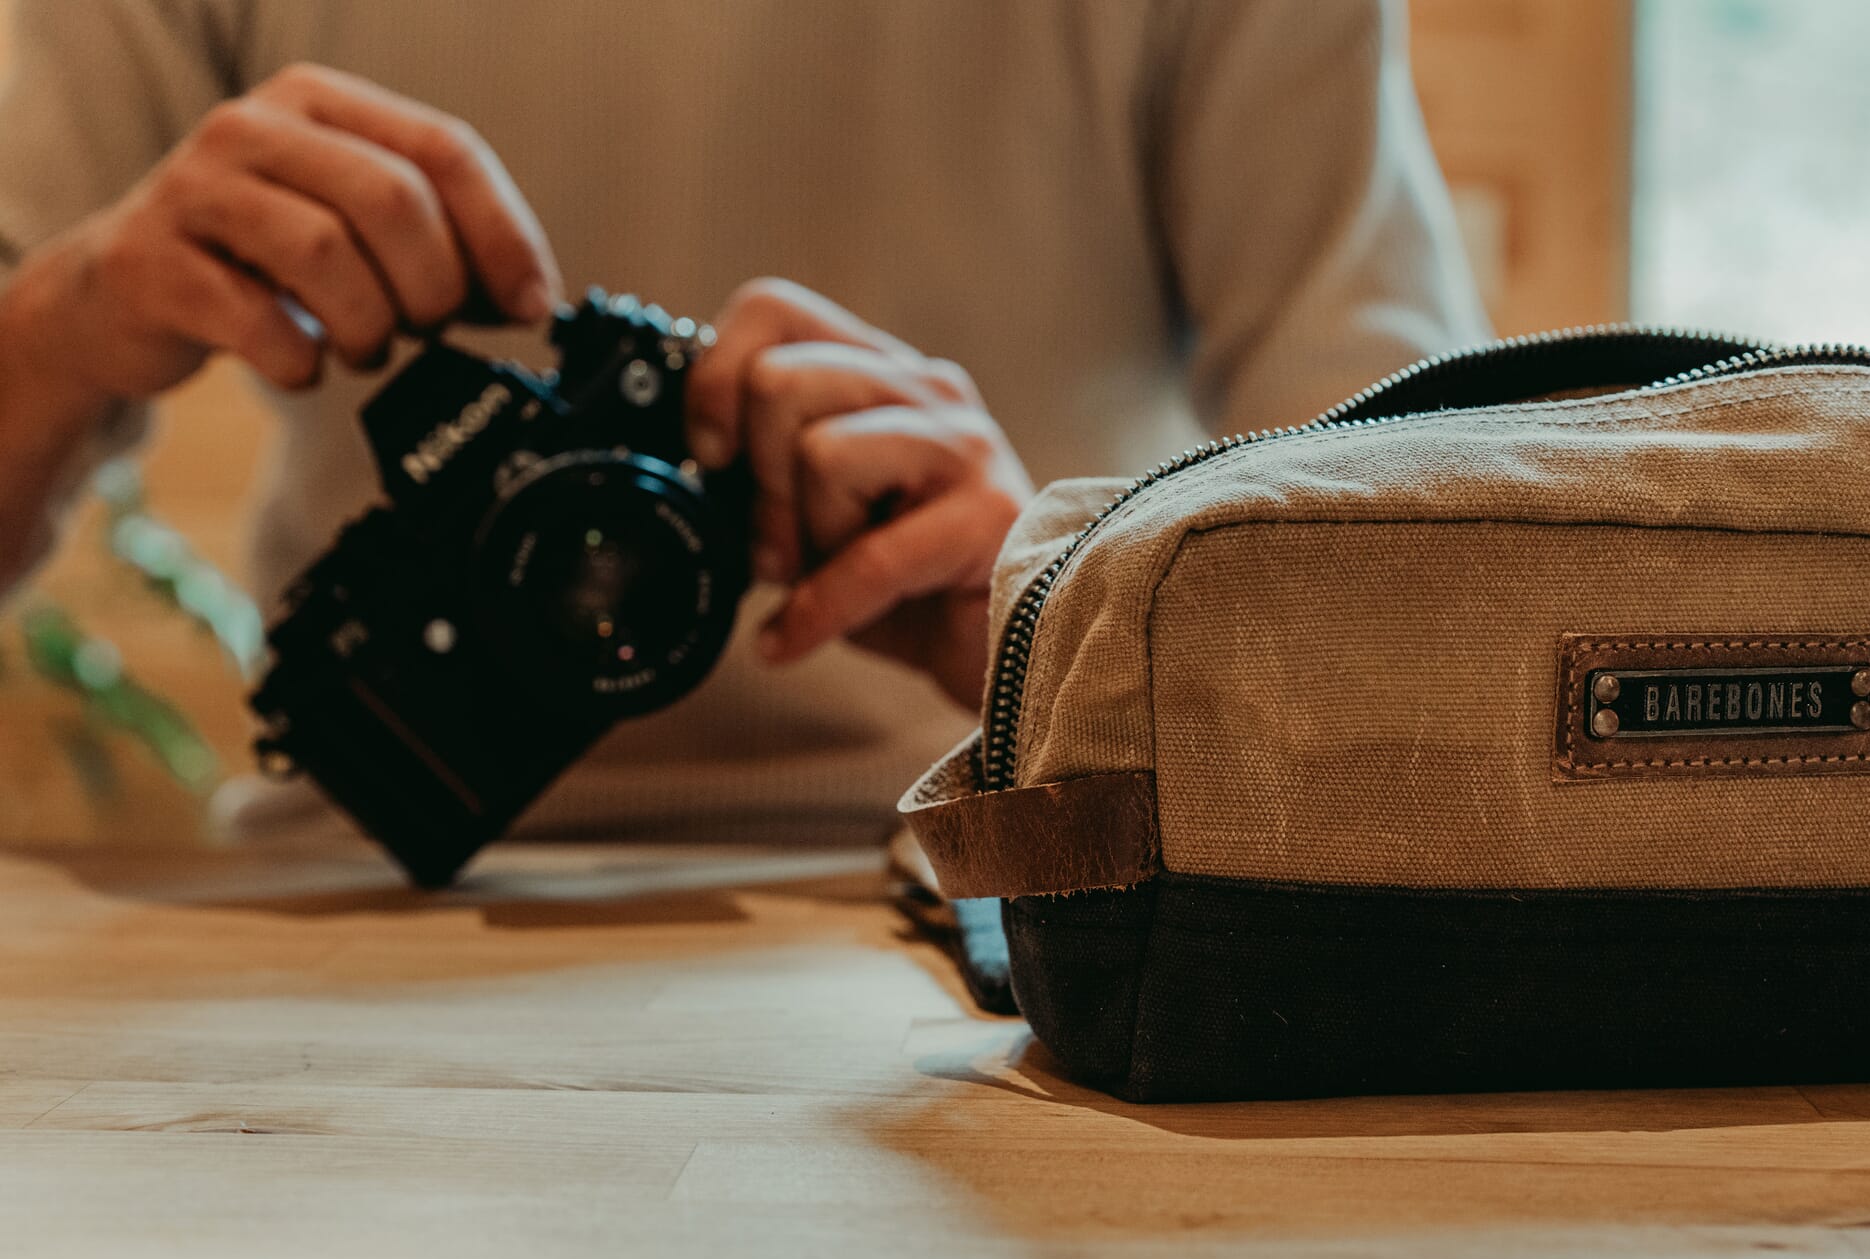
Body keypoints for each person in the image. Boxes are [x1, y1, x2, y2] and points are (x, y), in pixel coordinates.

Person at [0, 0, 1486, 845]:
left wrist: (1058, 609)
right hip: (382, 848)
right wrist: (67, 317)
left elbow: (1418, 576)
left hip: (987, 863)